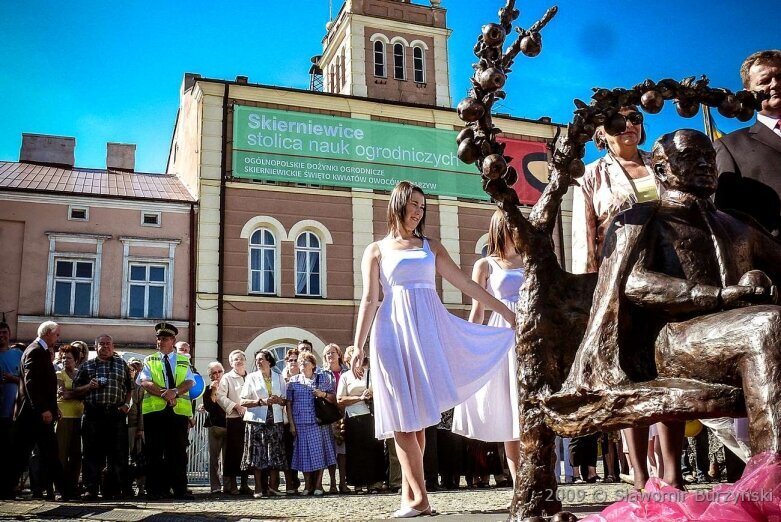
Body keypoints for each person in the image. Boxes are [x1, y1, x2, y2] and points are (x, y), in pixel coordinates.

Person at [562, 129, 781, 495]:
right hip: (674, 340)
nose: (704, 164)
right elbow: (633, 282)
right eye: (689, 157)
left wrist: (760, 278)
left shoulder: (738, 223)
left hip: (734, 333)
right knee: (768, 324)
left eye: (708, 158)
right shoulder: (643, 219)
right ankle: (772, 480)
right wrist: (719, 295)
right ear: (661, 169)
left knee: (765, 323)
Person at [351, 180, 516, 517]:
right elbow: (369, 299)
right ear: (398, 204)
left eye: (422, 206)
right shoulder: (377, 250)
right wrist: (357, 346)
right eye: (414, 204)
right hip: (391, 332)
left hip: (426, 331)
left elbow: (466, 283)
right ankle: (416, 498)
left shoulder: (431, 247)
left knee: (418, 420)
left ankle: (415, 497)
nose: (419, 210)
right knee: (401, 418)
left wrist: (504, 311)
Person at [571, 105, 664, 490]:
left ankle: (671, 474)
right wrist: (590, 293)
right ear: (601, 133)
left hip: (671, 274)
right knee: (633, 372)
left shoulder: (662, 164)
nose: (628, 125)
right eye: (616, 121)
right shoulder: (592, 175)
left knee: (669, 370)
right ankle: (640, 474)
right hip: (621, 281)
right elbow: (583, 238)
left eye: (635, 118)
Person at [452, 209, 525, 491]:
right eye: (511, 225)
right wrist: (469, 345)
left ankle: (541, 473)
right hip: (501, 336)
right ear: (500, 228)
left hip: (529, 331)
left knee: (530, 404)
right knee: (510, 408)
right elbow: (478, 311)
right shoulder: (485, 265)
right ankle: (520, 482)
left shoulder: (529, 259)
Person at [715, 49, 781, 234]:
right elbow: (725, 221)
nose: (775, 84)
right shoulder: (729, 147)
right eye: (765, 81)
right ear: (748, 93)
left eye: (780, 76)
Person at [3, 321, 65, 500]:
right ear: (48, 333)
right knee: (22, 455)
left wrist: (52, 408)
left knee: (45, 452)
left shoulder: (39, 350)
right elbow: (32, 384)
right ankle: (6, 488)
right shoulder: (35, 350)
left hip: (37, 414)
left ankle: (64, 491)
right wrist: (44, 409)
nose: (58, 338)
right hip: (33, 415)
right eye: (57, 334)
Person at [136, 322, 195, 500]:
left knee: (177, 452)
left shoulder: (184, 360)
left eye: (164, 339)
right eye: (158, 338)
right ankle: (155, 490)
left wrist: (175, 392)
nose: (160, 341)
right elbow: (145, 381)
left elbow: (190, 382)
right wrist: (165, 394)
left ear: (173, 341)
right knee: (154, 451)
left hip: (178, 413)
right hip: (155, 412)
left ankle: (179, 489)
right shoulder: (150, 359)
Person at [73, 334, 133, 500]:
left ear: (113, 346)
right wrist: (89, 386)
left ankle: (113, 489)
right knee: (91, 454)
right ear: (95, 346)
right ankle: (90, 489)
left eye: (108, 344)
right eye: (102, 344)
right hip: (94, 413)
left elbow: (129, 388)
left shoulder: (122, 365)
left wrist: (126, 405)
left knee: (117, 454)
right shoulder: (87, 365)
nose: (105, 346)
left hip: (116, 413)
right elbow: (75, 390)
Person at [286, 351, 337, 496]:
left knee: (319, 453)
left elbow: (334, 398)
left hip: (319, 422)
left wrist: (323, 394)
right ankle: (307, 485)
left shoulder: (322, 379)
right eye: (300, 362)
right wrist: (291, 424)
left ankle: (318, 484)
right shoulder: (293, 381)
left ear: (313, 365)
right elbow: (289, 404)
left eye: (305, 362)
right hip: (300, 422)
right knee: (303, 454)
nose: (301, 364)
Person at [240, 350, 288, 497]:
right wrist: (260, 401)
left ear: (269, 361)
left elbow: (285, 400)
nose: (258, 362)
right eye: (257, 360)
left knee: (274, 453)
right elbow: (242, 401)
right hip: (257, 421)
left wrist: (279, 400)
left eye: (261, 359)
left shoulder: (279, 378)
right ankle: (258, 488)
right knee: (257, 455)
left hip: (275, 419)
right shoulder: (251, 378)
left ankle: (273, 487)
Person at [337, 350, 385, 494]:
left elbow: (383, 392)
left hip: (371, 415)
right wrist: (360, 398)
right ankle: (358, 483)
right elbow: (340, 399)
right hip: (354, 417)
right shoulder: (345, 376)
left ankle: (374, 482)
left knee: (374, 449)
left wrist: (372, 395)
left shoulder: (372, 373)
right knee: (356, 451)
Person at [216, 349, 251, 495]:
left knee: (247, 452)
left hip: (249, 419)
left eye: (241, 358)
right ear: (231, 362)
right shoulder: (227, 378)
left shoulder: (251, 376)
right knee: (233, 452)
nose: (239, 361)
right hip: (234, 419)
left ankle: (245, 484)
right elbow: (220, 396)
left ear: (245, 360)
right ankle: (233, 485)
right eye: (235, 359)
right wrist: (235, 406)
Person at [54, 344, 84, 499]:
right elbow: (62, 394)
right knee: (61, 453)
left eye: (69, 358)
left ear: (76, 360)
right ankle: (60, 488)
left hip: (79, 416)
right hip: (63, 416)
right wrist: (77, 393)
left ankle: (73, 487)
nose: (66, 360)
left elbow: (82, 394)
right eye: (63, 357)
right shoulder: (59, 374)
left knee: (76, 455)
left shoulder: (80, 374)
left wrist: (72, 393)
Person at [322, 343, 349, 494]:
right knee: (331, 449)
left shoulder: (347, 371)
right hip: (329, 415)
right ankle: (332, 482)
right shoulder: (321, 373)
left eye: (332, 352)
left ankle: (343, 482)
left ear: (339, 354)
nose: (330, 356)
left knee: (343, 450)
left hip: (346, 413)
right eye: (327, 354)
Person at [201, 361, 227, 494]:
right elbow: (210, 407)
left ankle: (228, 485)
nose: (217, 375)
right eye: (214, 373)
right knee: (214, 458)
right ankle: (215, 486)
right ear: (210, 376)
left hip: (229, 425)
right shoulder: (207, 390)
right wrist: (213, 391)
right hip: (215, 426)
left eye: (219, 372)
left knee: (227, 457)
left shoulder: (229, 386)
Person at [281, 347, 302, 494]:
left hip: (303, 419)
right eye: (290, 360)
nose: (293, 363)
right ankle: (290, 482)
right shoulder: (280, 378)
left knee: (302, 452)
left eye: (296, 360)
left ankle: (308, 483)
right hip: (285, 421)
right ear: (286, 362)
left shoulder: (305, 377)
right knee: (288, 453)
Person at [0, 321, 21, 460]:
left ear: (10, 334)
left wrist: (12, 378)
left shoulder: (18, 354)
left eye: (4, 332)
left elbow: (26, 382)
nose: (1, 336)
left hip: (11, 412)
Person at [126, 358, 145, 496]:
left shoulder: (140, 387)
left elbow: (142, 409)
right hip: (121, 427)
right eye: (131, 368)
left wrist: (141, 428)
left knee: (139, 458)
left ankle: (141, 487)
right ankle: (126, 487)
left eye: (137, 367)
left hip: (134, 426)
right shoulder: (122, 384)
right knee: (124, 458)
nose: (134, 370)